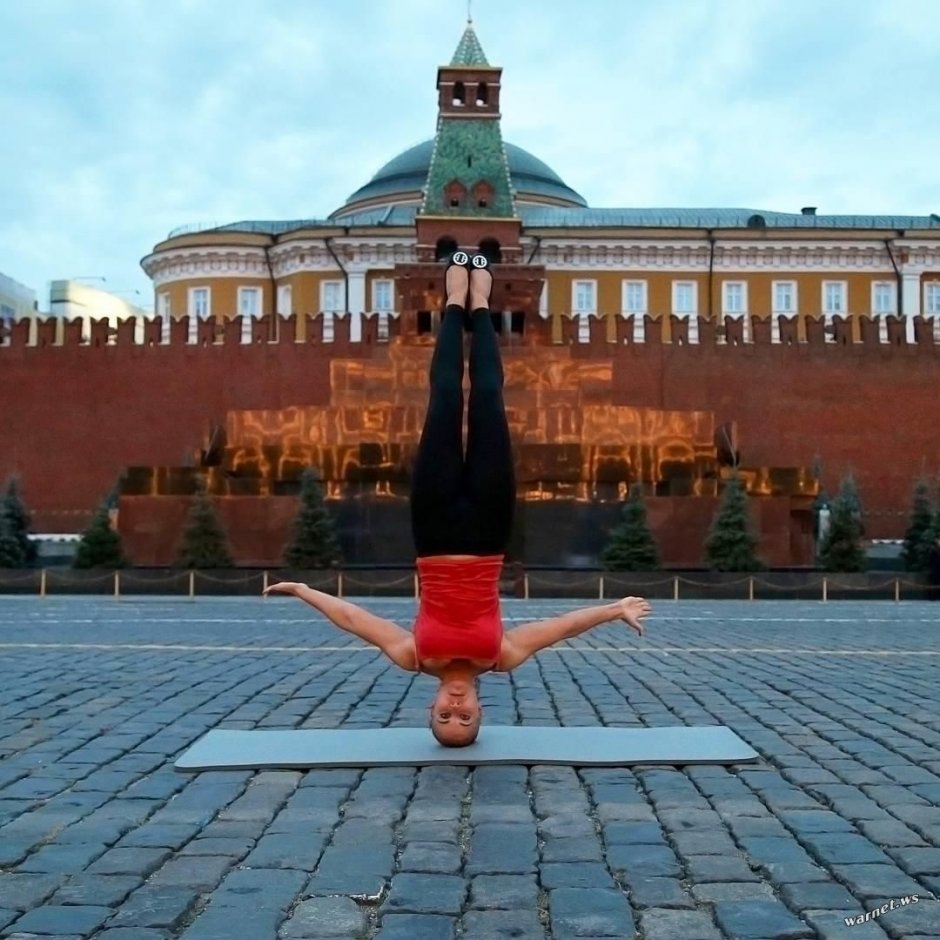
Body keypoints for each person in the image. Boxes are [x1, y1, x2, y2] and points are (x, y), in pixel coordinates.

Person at [265, 251, 651, 746]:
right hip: (490, 530)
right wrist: (614, 610)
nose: (455, 710)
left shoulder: (414, 656)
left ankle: (453, 304)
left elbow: (356, 621)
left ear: (431, 708)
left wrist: (304, 591)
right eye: (465, 719)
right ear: (479, 709)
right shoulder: (500, 657)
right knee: (488, 398)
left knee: (445, 399)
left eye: (444, 718)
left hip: (434, 528)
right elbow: (560, 627)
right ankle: (482, 306)